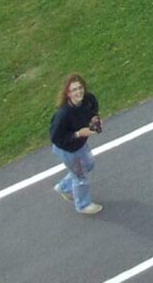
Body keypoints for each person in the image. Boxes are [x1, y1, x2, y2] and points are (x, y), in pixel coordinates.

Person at [49, 74, 103, 215]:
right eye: (74, 90)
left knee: (89, 165)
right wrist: (78, 134)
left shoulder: (88, 100)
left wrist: (94, 119)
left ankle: (64, 187)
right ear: (68, 94)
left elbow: (93, 109)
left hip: (80, 144)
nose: (79, 92)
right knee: (80, 176)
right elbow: (56, 138)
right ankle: (83, 205)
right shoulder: (63, 115)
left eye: (80, 88)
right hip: (68, 149)